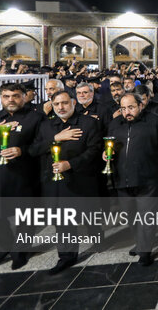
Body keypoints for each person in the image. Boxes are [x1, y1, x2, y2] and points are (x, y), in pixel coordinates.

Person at [28, 90, 103, 274]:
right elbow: (33, 149)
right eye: (56, 104)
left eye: (64, 103)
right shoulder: (45, 126)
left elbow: (94, 150)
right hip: (56, 183)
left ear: (73, 103)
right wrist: (55, 138)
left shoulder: (89, 123)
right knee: (62, 221)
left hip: (82, 179)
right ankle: (67, 257)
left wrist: (70, 164)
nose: (60, 107)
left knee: (88, 215)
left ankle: (96, 233)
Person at [0, 83, 45, 269]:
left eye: (16, 96)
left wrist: (21, 150)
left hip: (23, 175)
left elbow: (41, 145)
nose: (11, 100)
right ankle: (8, 246)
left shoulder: (36, 118)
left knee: (25, 218)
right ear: (1, 98)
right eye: (7, 96)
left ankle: (21, 251)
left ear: (24, 97)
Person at [106, 93, 158, 266]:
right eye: (123, 108)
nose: (127, 112)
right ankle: (140, 243)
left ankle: (145, 250)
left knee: (147, 216)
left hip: (148, 178)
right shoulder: (115, 124)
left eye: (131, 107)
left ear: (141, 105)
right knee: (131, 216)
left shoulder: (156, 122)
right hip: (122, 178)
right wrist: (105, 153)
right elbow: (107, 145)